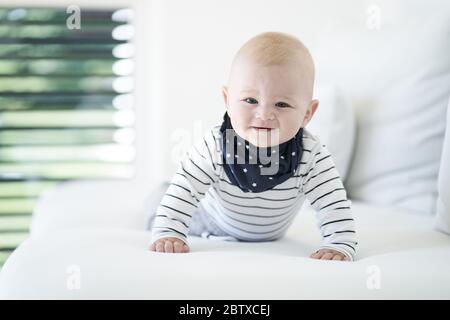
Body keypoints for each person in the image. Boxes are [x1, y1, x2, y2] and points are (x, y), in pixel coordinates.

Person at [147, 31, 358, 261]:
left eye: (282, 104)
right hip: (213, 220)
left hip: (271, 233)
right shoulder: (214, 145)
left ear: (307, 113)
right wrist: (168, 233)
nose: (265, 114)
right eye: (251, 100)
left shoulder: (311, 154)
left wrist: (339, 244)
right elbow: (184, 190)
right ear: (227, 100)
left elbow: (333, 202)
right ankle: (157, 198)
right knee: (162, 201)